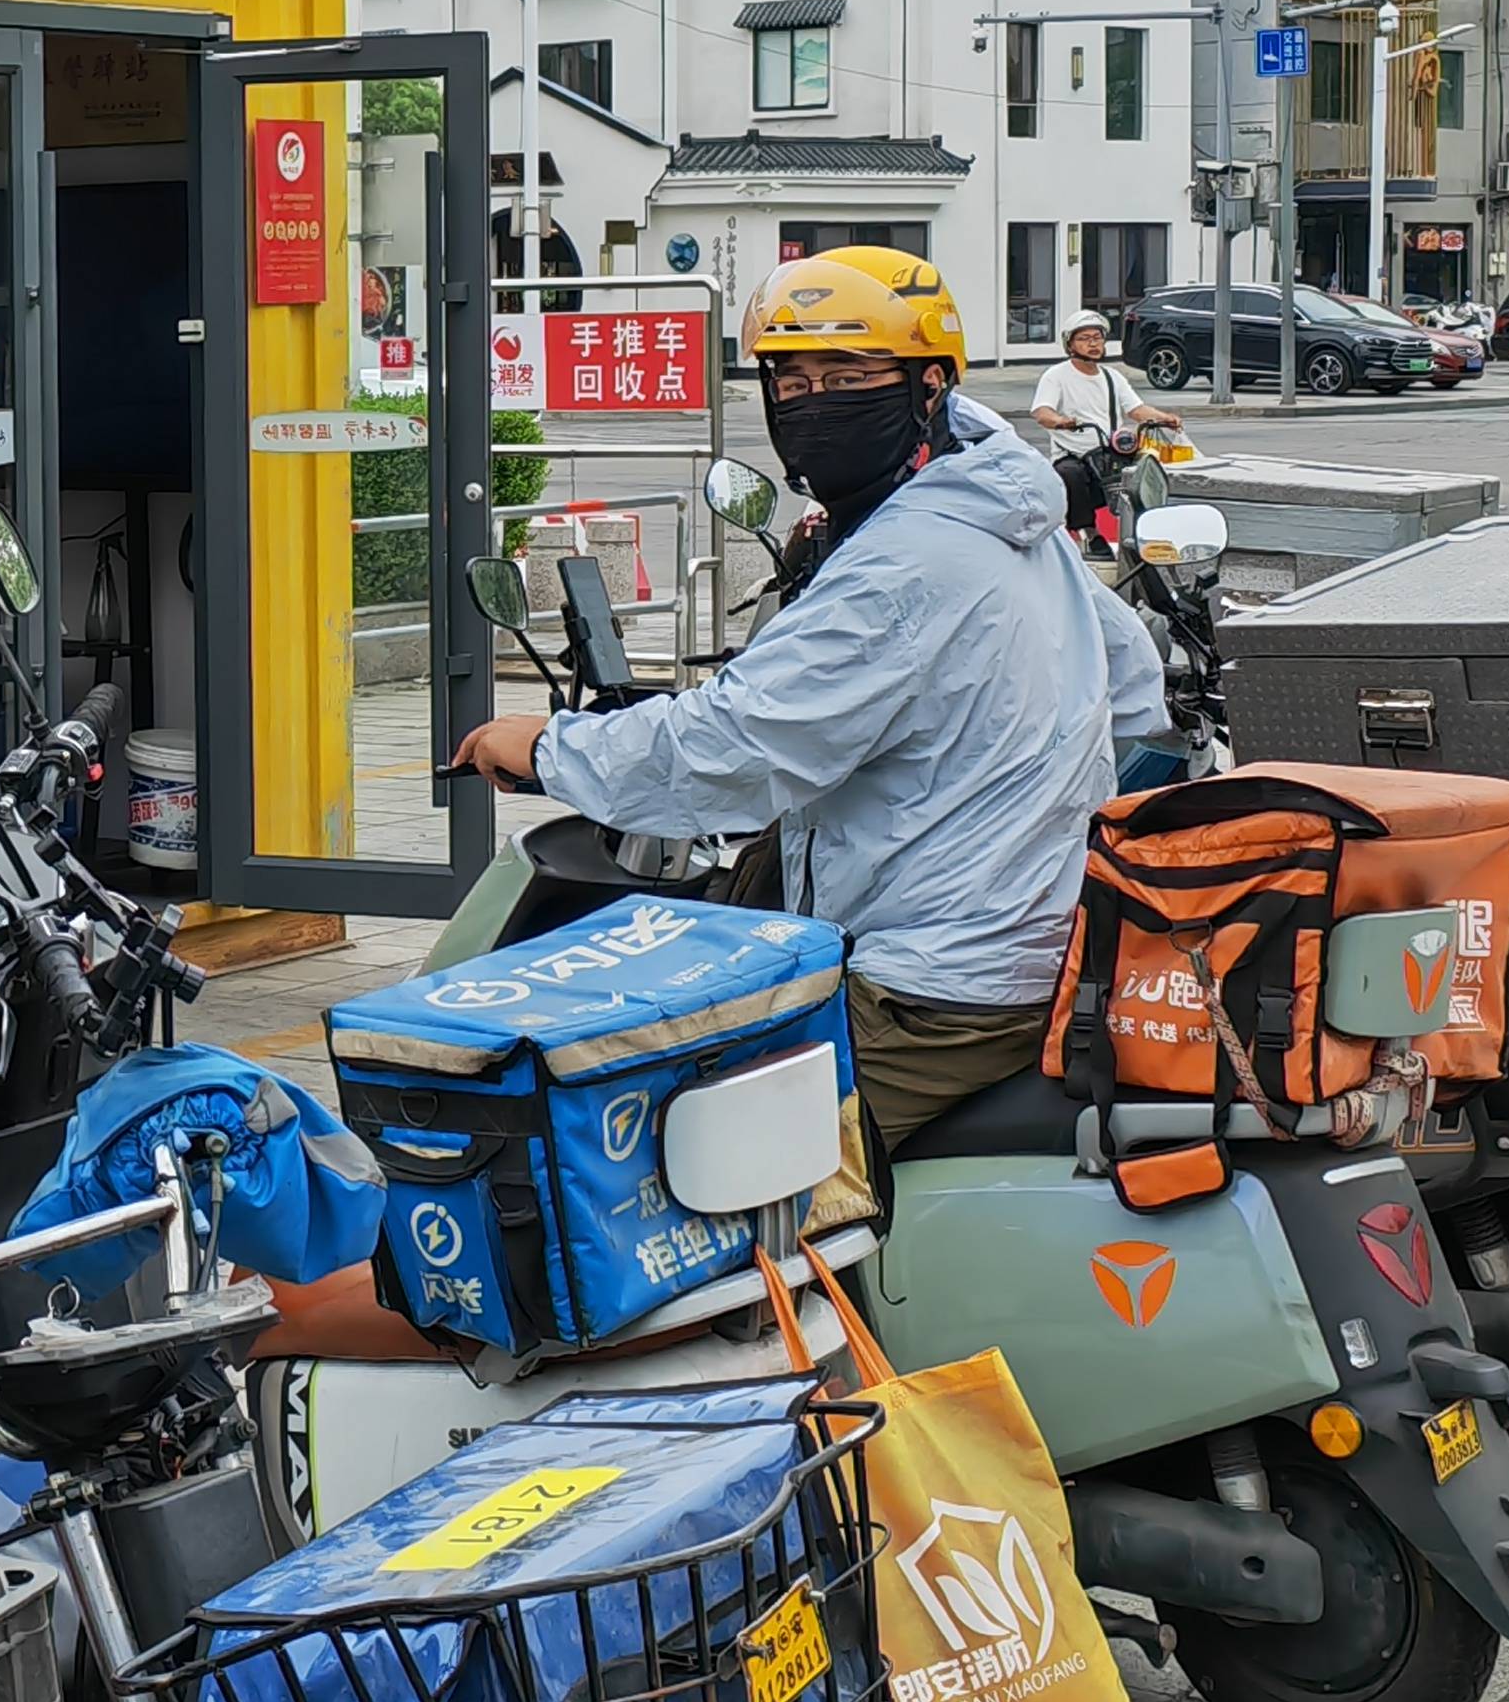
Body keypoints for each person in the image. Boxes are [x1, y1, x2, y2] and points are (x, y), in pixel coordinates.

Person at [454, 247, 1167, 1153]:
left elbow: (738, 749)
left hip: (928, 988)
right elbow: (1136, 687)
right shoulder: (1007, 515)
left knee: (659, 1158)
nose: (816, 402)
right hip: (1026, 941)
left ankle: (776, 1299)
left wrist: (548, 748)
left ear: (929, 386)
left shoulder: (905, 562)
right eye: (791, 381)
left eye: (851, 373)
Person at [1028, 311, 1180, 541]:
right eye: (1084, 338)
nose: (1093, 343)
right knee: (1071, 475)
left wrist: (1165, 418)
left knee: (1145, 471)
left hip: (1111, 450)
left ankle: (1147, 529)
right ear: (1069, 344)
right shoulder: (1056, 376)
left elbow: (1136, 409)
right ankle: (1087, 532)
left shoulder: (1112, 377)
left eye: (1097, 337)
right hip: (1074, 453)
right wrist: (1060, 422)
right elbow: (1042, 412)